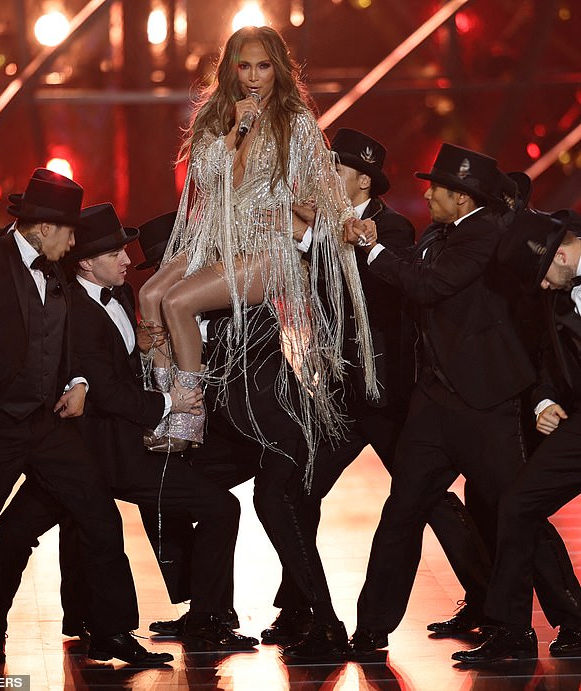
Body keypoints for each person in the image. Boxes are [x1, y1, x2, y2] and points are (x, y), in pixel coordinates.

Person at [0, 202, 258, 665]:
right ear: (86, 261)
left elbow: (117, 369)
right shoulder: (71, 307)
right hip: (94, 452)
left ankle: (200, 620)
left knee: (216, 508)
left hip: (117, 448)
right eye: (116, 253)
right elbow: (106, 390)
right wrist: (171, 403)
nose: (128, 260)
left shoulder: (120, 295)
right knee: (17, 531)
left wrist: (144, 351)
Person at [341, 143, 581, 660]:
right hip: (435, 403)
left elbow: (430, 286)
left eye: (437, 188)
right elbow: (419, 267)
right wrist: (376, 243)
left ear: (462, 196)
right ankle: (371, 629)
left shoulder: (487, 235)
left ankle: (570, 617)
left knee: (516, 509)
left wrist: (374, 252)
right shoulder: (443, 233)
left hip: (485, 401)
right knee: (402, 510)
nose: (426, 193)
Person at [261, 129, 493, 645]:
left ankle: (486, 600)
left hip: (389, 397)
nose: (324, 179)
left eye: (334, 171)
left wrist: (318, 238)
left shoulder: (394, 230)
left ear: (363, 179)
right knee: (297, 492)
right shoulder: (325, 227)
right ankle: (302, 608)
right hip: (342, 396)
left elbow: (381, 290)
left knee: (428, 502)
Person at [0, 169, 172, 669]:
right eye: (69, 231)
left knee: (99, 518)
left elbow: (67, 340)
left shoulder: (57, 270)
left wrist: (78, 382)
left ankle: (112, 633)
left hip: (48, 426)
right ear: (44, 228)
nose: (74, 242)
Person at [138, 26, 376, 469]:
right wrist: (234, 131)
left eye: (263, 66)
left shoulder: (297, 121)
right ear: (231, 68)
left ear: (278, 70)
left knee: (177, 303)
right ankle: (168, 404)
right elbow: (206, 179)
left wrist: (348, 221)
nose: (253, 76)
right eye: (244, 66)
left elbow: (326, 186)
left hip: (268, 249)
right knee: (149, 295)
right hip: (219, 235)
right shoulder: (217, 117)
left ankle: (188, 417)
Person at [137, 213, 351, 662]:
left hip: (277, 424)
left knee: (275, 504)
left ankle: (327, 625)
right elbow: (160, 318)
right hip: (232, 429)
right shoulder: (173, 309)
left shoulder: (246, 282)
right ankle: (208, 613)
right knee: (171, 487)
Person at [453, 208, 581, 664]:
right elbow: (549, 355)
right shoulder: (558, 291)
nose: (543, 287)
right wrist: (544, 401)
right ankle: (511, 631)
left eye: (544, 276)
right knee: (518, 503)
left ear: (562, 254)